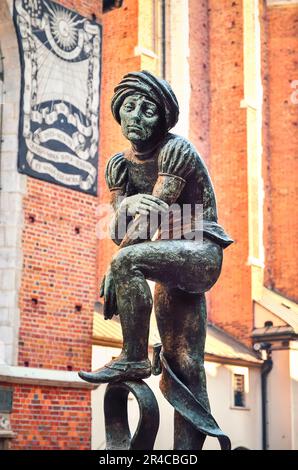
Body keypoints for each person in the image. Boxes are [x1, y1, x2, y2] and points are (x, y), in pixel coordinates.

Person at [79, 71, 232, 447]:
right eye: (129, 107)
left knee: (126, 263)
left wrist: (120, 264)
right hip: (168, 259)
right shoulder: (119, 165)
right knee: (184, 363)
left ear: (162, 119)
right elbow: (123, 232)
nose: (136, 116)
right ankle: (186, 453)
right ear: (118, 113)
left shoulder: (175, 151)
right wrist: (126, 204)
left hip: (200, 251)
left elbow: (154, 218)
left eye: (148, 110)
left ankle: (132, 355)